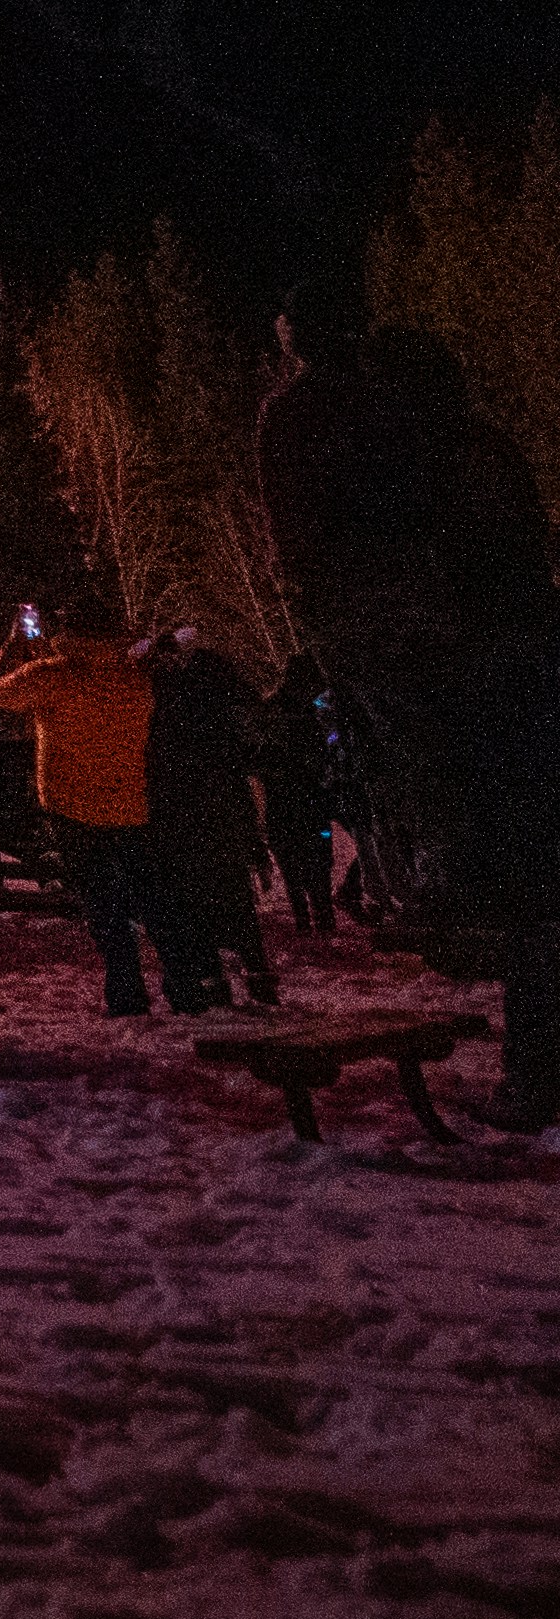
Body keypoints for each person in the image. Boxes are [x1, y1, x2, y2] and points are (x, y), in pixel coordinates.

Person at [263, 309, 560, 1121]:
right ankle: (533, 1069)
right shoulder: (469, 450)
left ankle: (453, 882)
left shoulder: (421, 463)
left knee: (529, 884)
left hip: (483, 668)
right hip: (514, 657)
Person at [0, 608, 166, 1014]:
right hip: (128, 801)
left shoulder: (55, 674)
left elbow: (0, 692)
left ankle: (127, 993)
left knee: (104, 906)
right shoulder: (132, 676)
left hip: (73, 804)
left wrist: (13, 645)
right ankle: (186, 984)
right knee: (151, 899)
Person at [142, 633, 282, 1011]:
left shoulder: (168, 704)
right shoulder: (222, 705)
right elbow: (246, 755)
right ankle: (257, 975)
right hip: (223, 813)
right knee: (235, 898)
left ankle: (214, 980)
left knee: (192, 901)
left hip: (179, 816)